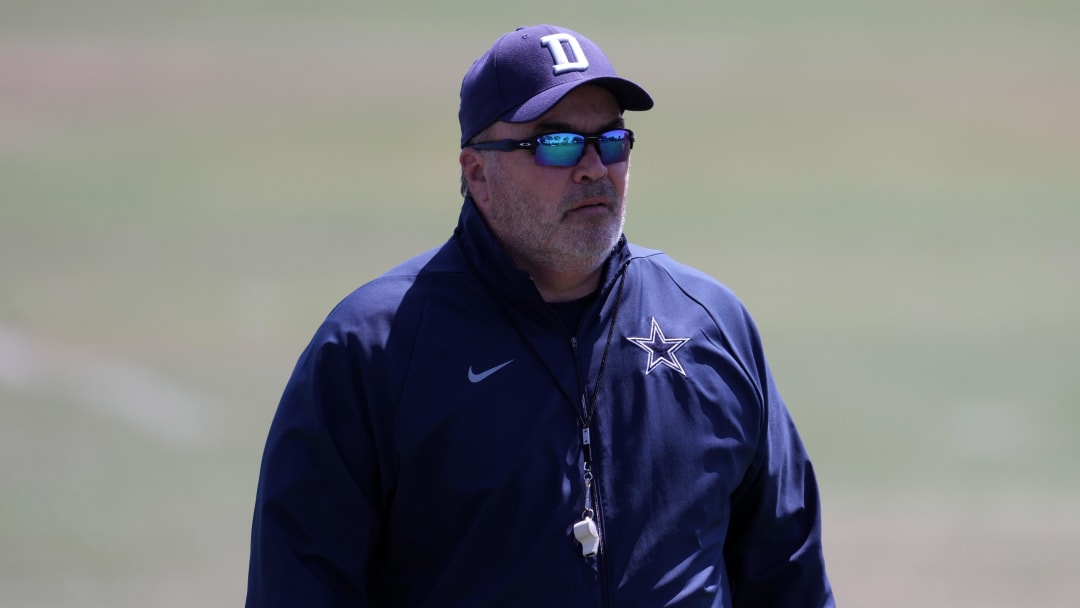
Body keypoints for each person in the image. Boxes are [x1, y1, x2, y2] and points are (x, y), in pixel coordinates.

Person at [246, 24, 834, 607]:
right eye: (556, 144)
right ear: (476, 172)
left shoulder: (710, 323)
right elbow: (300, 585)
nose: (593, 168)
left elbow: (790, 574)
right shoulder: (373, 349)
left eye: (611, 141)